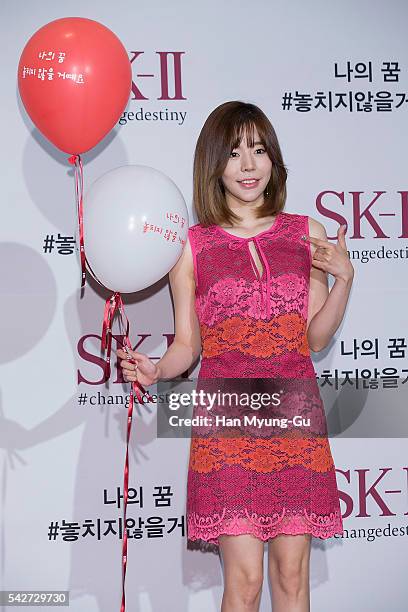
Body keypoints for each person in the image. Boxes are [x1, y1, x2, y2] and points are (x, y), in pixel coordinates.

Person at [117, 101, 354, 612]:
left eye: (259, 150)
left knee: (292, 580)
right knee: (243, 584)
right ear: (214, 165)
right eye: (234, 153)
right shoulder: (192, 247)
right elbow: (187, 344)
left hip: (295, 418)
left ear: (274, 160)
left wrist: (344, 282)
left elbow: (315, 338)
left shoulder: (304, 234)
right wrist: (156, 368)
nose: (248, 166)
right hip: (227, 426)